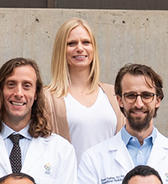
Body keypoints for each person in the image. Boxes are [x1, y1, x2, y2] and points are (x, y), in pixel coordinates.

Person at [44, 18, 125, 162]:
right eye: (71, 43)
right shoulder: (47, 97)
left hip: (110, 182)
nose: (80, 48)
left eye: (86, 42)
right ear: (61, 49)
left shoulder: (114, 95)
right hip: (71, 182)